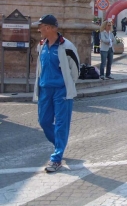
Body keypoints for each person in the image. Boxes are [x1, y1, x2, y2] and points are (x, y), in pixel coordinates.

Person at [33, 14, 80, 172]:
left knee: (61, 124)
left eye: (41, 26)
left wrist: (67, 84)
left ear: (48, 27)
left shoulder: (67, 46)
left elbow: (76, 70)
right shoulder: (41, 45)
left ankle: (56, 158)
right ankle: (59, 144)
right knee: (44, 121)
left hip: (61, 91)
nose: (38, 29)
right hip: (45, 89)